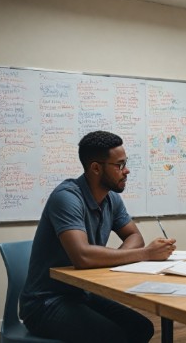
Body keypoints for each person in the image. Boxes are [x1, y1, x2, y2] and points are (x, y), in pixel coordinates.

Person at [20, 130, 177, 343]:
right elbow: (82, 256)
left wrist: (115, 262)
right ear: (95, 168)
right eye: (119, 165)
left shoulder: (111, 198)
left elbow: (133, 235)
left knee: (141, 327)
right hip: (45, 303)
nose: (127, 170)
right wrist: (146, 254)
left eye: (125, 163)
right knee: (115, 337)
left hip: (81, 294)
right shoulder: (66, 197)